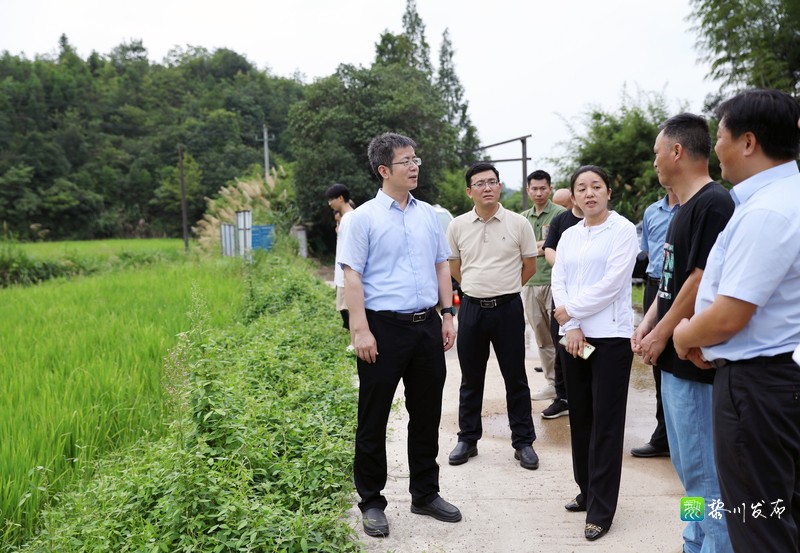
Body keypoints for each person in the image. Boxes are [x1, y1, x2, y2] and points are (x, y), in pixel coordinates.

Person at [673, 89, 800, 553]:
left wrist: (680, 334)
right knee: (701, 477)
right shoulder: (750, 202)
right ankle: (694, 538)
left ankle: (705, 544)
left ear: (747, 142)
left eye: (721, 136)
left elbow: (725, 310)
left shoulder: (754, 209)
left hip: (741, 377)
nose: (717, 147)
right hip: (717, 368)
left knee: (750, 512)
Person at [339, 132, 461, 538]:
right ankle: (372, 502)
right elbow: (351, 276)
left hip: (426, 325)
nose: (414, 167)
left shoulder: (428, 214)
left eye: (416, 160)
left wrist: (447, 314)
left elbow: (442, 265)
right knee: (373, 418)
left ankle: (425, 493)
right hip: (382, 329)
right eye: (406, 161)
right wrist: (360, 329)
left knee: (426, 415)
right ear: (384, 170)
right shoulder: (362, 219)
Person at [632, 113, 735, 553]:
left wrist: (661, 334)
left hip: (695, 364)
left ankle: (715, 546)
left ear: (677, 151)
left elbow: (700, 279)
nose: (655, 162)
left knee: (707, 475)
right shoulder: (680, 208)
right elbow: (670, 281)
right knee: (687, 470)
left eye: (657, 153)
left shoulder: (715, 203)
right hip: (673, 358)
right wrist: (649, 321)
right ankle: (693, 541)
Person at [551, 165, 638, 541]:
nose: (589, 193)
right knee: (581, 416)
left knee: (606, 423)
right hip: (577, 339)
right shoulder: (569, 236)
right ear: (573, 196)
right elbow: (560, 280)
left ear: (608, 192)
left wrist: (572, 313)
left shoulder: (622, 230)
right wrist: (571, 327)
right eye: (581, 188)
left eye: (596, 187)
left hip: (611, 340)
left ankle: (602, 509)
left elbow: (613, 283)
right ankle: (587, 489)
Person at [446, 162, 540, 470]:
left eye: (492, 182)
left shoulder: (518, 224)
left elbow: (530, 265)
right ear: (469, 191)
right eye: (480, 183)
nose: (487, 187)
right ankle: (468, 439)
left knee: (516, 377)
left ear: (500, 186)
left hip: (509, 309)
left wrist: (505, 288)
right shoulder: (457, 225)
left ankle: (523, 442)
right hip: (471, 309)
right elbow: (455, 268)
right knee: (471, 378)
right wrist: (477, 287)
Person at [629, 189, 679, 458]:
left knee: (681, 358)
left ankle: (683, 436)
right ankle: (663, 437)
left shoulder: (695, 206)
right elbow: (646, 252)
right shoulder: (651, 212)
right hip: (654, 285)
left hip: (681, 289)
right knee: (656, 360)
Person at [521, 170, 565, 402]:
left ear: (550, 188)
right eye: (534, 189)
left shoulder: (561, 215)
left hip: (555, 283)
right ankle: (552, 383)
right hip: (529, 284)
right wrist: (544, 246)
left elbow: (559, 247)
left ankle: (570, 383)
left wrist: (536, 247)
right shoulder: (522, 218)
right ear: (528, 190)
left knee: (564, 335)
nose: (538, 193)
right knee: (542, 337)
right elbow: (519, 248)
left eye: (543, 188)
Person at [539, 192, 584, 419]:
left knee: (589, 345)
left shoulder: (610, 224)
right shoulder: (562, 222)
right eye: (581, 189)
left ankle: (586, 394)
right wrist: (566, 269)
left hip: (591, 298)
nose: (587, 194)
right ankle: (563, 397)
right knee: (562, 344)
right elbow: (549, 249)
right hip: (563, 293)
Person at [326, 183, 355, 330]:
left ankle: (355, 342)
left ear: (341, 198)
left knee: (350, 309)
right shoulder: (345, 219)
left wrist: (347, 276)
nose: (329, 203)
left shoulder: (349, 219)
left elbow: (351, 251)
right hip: (343, 275)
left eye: (332, 199)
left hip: (347, 276)